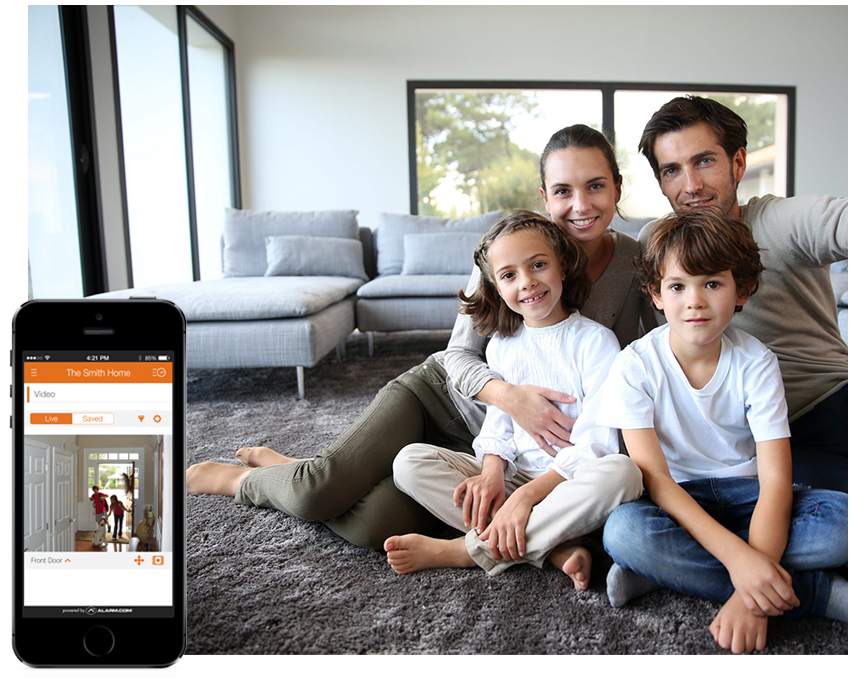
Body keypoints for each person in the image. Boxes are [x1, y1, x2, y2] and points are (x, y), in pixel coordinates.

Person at [186, 124, 651, 550]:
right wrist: (510, 398)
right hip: (440, 398)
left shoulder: (634, 264)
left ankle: (313, 471)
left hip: (497, 448)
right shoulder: (513, 250)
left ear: (616, 187)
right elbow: (458, 355)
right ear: (545, 197)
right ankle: (245, 479)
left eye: (595, 186)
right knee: (317, 493)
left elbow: (646, 358)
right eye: (563, 191)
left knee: (372, 525)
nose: (581, 205)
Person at [598, 209, 848, 654]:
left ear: (742, 291)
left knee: (843, 524)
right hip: (678, 500)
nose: (694, 301)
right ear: (656, 294)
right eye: (677, 286)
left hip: (750, 497)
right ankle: (815, 594)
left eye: (712, 284)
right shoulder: (633, 366)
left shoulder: (757, 362)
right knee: (624, 533)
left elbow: (775, 483)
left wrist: (748, 599)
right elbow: (656, 480)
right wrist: (739, 560)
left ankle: (666, 574)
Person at [385, 211, 642, 586]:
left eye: (538, 265)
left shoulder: (596, 342)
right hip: (512, 475)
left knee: (624, 474)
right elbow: (499, 423)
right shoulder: (503, 346)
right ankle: (552, 546)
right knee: (409, 462)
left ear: (563, 266)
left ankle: (469, 550)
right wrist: (491, 473)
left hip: (566, 484)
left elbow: (598, 444)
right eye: (509, 275)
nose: (527, 283)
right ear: (496, 286)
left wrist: (526, 498)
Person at [637, 95, 848, 492]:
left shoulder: (782, 222)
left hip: (822, 405)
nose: (691, 186)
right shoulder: (657, 242)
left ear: (737, 162)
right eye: (672, 170)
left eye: (704, 161)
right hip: (734, 435)